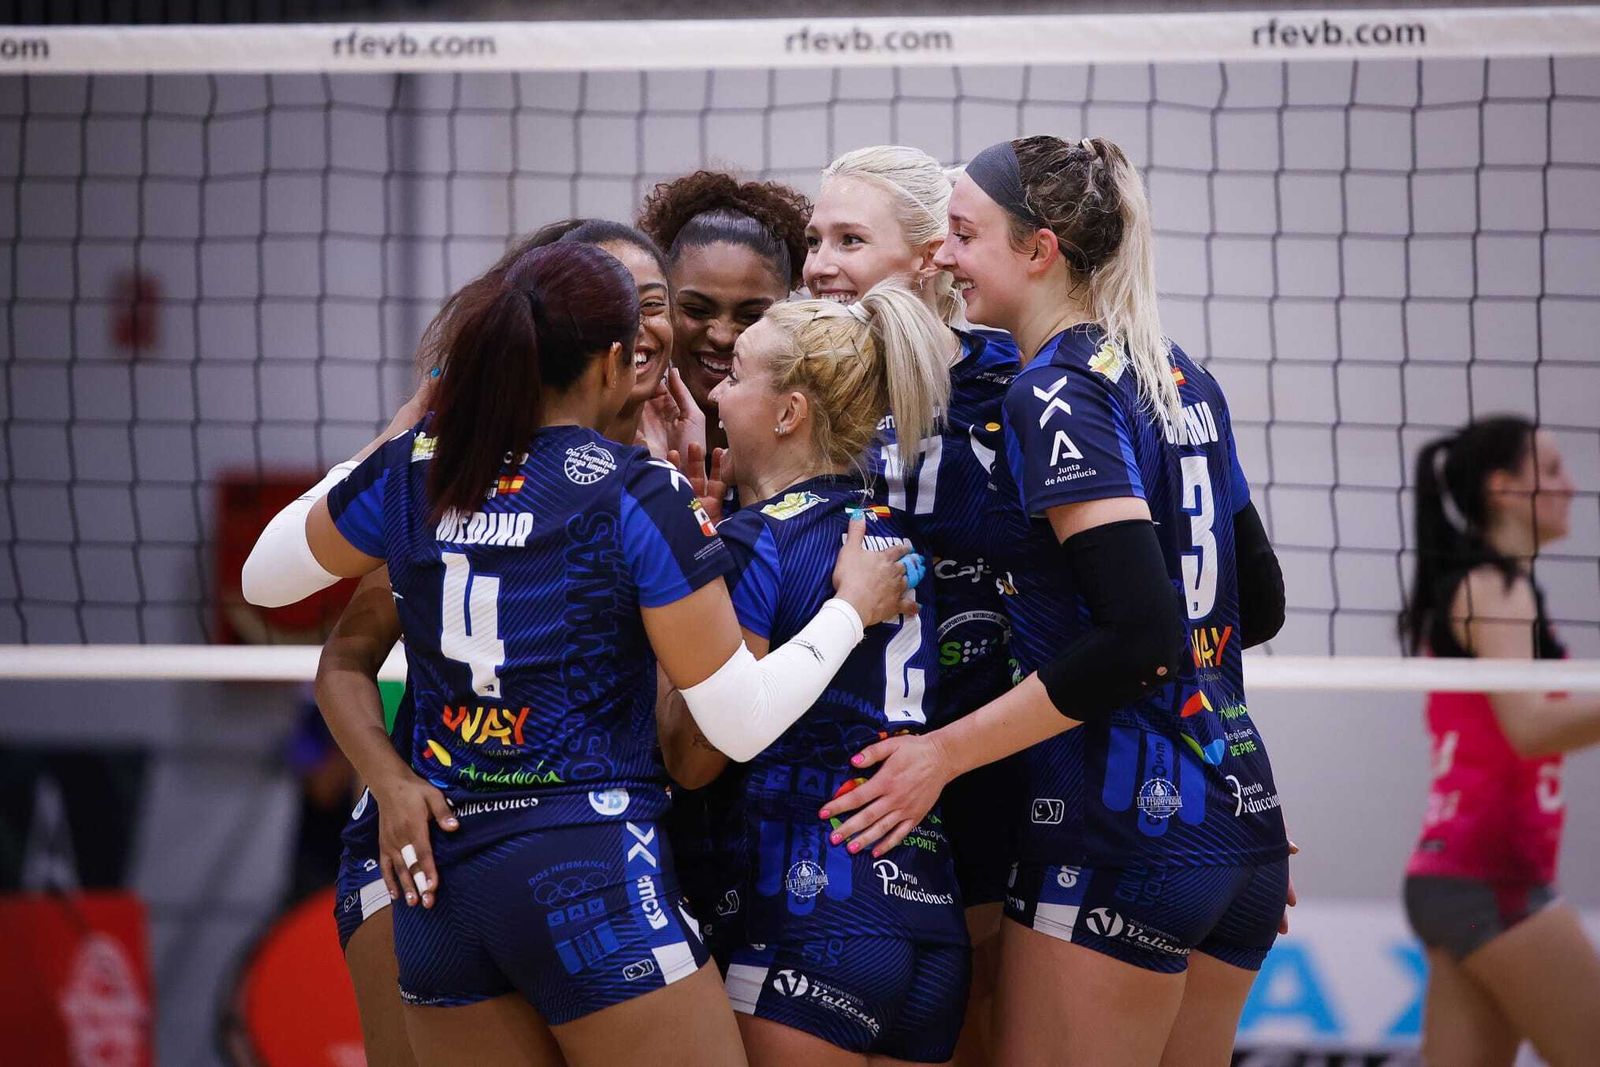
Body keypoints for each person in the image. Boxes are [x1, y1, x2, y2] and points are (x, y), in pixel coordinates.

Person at [242, 241, 917, 1067]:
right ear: (610, 361)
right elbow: (737, 723)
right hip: (584, 864)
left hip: (443, 882)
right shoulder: (637, 488)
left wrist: (402, 434)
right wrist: (850, 609)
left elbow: (263, 577)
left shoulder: (419, 469)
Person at [820, 135, 1291, 1067]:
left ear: (1039, 250)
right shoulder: (1179, 372)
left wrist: (940, 755)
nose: (945, 256)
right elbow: (1260, 603)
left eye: (964, 235)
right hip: (1238, 816)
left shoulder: (1053, 389)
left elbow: (1140, 637)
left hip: (1117, 824)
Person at [311, 218, 683, 1065]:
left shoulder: (665, 484)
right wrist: (389, 780)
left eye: (653, 302)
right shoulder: (452, 472)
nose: (639, 325)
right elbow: (341, 658)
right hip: (428, 840)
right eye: (613, 306)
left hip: (584, 841)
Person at [659, 281, 963, 1066]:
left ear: (788, 412)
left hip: (801, 914)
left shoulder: (756, 542)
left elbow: (696, 757)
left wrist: (667, 593)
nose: (716, 393)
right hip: (927, 920)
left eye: (736, 376)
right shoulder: (896, 536)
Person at [803, 143, 1022, 1066]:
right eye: (815, 238)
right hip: (842, 765)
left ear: (933, 254)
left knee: (979, 1016)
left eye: (849, 240)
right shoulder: (796, 381)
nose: (819, 263)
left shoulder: (1015, 381)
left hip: (987, 755)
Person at [1401, 417, 1600, 1067]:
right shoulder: (1494, 589)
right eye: (1552, 470)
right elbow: (1530, 727)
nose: (1571, 486)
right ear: (1504, 489)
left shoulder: (1498, 587)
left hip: (1459, 876)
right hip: (1490, 875)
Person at [638, 171, 811, 453]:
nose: (722, 336)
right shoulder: (613, 443)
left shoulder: (818, 451)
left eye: (751, 316)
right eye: (697, 310)